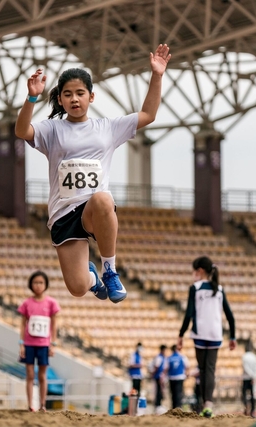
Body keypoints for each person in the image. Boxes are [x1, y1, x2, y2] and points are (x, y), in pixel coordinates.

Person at [14, 44, 171, 304]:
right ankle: (92, 278)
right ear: (61, 99)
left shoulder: (107, 128)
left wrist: (157, 75)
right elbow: (22, 131)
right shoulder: (52, 130)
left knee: (103, 199)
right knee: (77, 287)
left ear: (91, 97)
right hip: (64, 213)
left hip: (92, 208)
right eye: (68, 94)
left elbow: (148, 114)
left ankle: (109, 270)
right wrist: (31, 99)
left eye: (80, 93)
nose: (74, 99)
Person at [177, 256, 236, 419]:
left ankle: (205, 405)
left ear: (200, 271)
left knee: (202, 369)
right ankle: (208, 405)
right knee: (210, 369)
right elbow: (230, 316)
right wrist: (233, 337)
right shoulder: (220, 289)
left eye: (194, 271)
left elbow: (188, 315)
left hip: (200, 333)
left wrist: (180, 335)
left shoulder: (195, 288)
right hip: (216, 333)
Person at [18, 271, 60, 412]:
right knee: (30, 375)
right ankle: (31, 405)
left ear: (46, 285)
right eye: (35, 282)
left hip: (44, 345)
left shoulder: (51, 303)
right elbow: (23, 324)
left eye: (41, 282)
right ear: (31, 284)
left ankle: (42, 405)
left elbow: (54, 325)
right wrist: (21, 343)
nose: (38, 285)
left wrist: (53, 344)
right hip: (29, 344)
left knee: (42, 375)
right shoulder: (26, 303)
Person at [163, 344, 190, 409]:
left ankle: (174, 407)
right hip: (180, 377)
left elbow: (166, 368)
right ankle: (179, 407)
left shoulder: (169, 358)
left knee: (173, 393)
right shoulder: (182, 357)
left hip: (172, 377)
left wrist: (163, 376)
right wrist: (187, 374)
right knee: (179, 393)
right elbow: (187, 366)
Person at [242, 341, 256, 418]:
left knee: (245, 394)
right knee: (252, 395)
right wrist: (254, 376)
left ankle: (246, 407)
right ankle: (252, 410)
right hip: (252, 378)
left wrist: (251, 375)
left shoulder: (244, 356)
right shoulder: (254, 356)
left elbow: (245, 368)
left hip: (246, 378)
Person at [148, 344, 167, 411]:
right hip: (158, 376)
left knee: (161, 391)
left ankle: (159, 404)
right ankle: (157, 404)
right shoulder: (159, 357)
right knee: (158, 391)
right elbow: (156, 367)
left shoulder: (163, 357)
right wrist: (153, 375)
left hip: (161, 376)